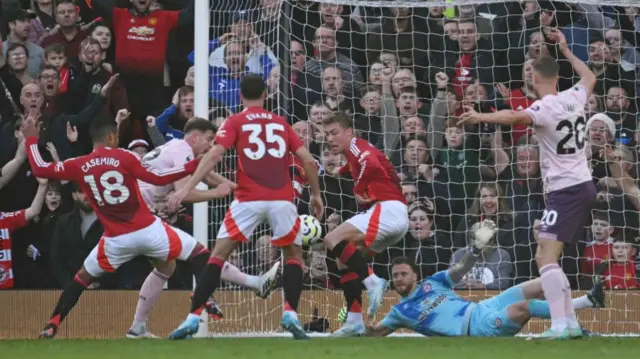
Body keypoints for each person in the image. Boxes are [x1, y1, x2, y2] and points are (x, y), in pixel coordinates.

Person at [21, 112, 231, 339]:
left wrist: (31, 138)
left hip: (114, 239)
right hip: (148, 229)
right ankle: (202, 299)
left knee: (81, 278)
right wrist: (193, 166)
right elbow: (159, 178)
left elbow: (41, 168)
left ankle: (52, 323)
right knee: (200, 253)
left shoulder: (79, 164)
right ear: (112, 137)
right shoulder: (125, 157)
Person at [459, 29, 598, 339]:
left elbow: (514, 117)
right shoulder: (574, 96)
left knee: (545, 257)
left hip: (566, 190)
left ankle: (561, 326)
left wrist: (480, 118)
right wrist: (566, 50)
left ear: (534, 77)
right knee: (547, 256)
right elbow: (589, 77)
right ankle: (570, 325)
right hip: (583, 185)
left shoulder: (545, 107)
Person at [167, 74, 323, 340]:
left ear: (240, 96)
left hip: (248, 198)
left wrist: (186, 187)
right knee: (294, 256)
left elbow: (214, 154)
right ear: (265, 95)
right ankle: (290, 313)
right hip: (282, 199)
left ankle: (193, 317)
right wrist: (316, 195)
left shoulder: (235, 121)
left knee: (217, 256)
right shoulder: (281, 123)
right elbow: (308, 161)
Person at [366, 221, 606, 337]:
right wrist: (357, 321)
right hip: (477, 328)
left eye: (403, 273)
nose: (399, 279)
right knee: (524, 307)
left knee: (543, 282)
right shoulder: (400, 312)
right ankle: (578, 321)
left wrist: (475, 248)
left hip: (482, 307)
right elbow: (374, 335)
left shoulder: (434, 282)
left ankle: (585, 304)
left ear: (415, 275)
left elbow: (460, 269)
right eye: (395, 275)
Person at [138, 118, 281, 302]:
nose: (211, 145)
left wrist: (248, 193)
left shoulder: (175, 148)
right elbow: (185, 193)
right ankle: (211, 296)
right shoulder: (182, 150)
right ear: (195, 138)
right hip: (141, 216)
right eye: (209, 139)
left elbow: (210, 177)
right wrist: (216, 194)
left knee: (166, 268)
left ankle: (136, 328)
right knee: (200, 253)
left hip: (140, 213)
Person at [320, 111, 408, 336]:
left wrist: (358, 189)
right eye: (326, 134)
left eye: (334, 133)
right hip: (396, 218)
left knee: (332, 239)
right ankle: (354, 321)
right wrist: (339, 171)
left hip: (386, 209)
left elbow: (371, 164)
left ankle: (373, 282)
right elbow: (356, 163)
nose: (329, 139)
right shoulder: (354, 151)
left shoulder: (358, 146)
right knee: (343, 260)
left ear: (349, 131)